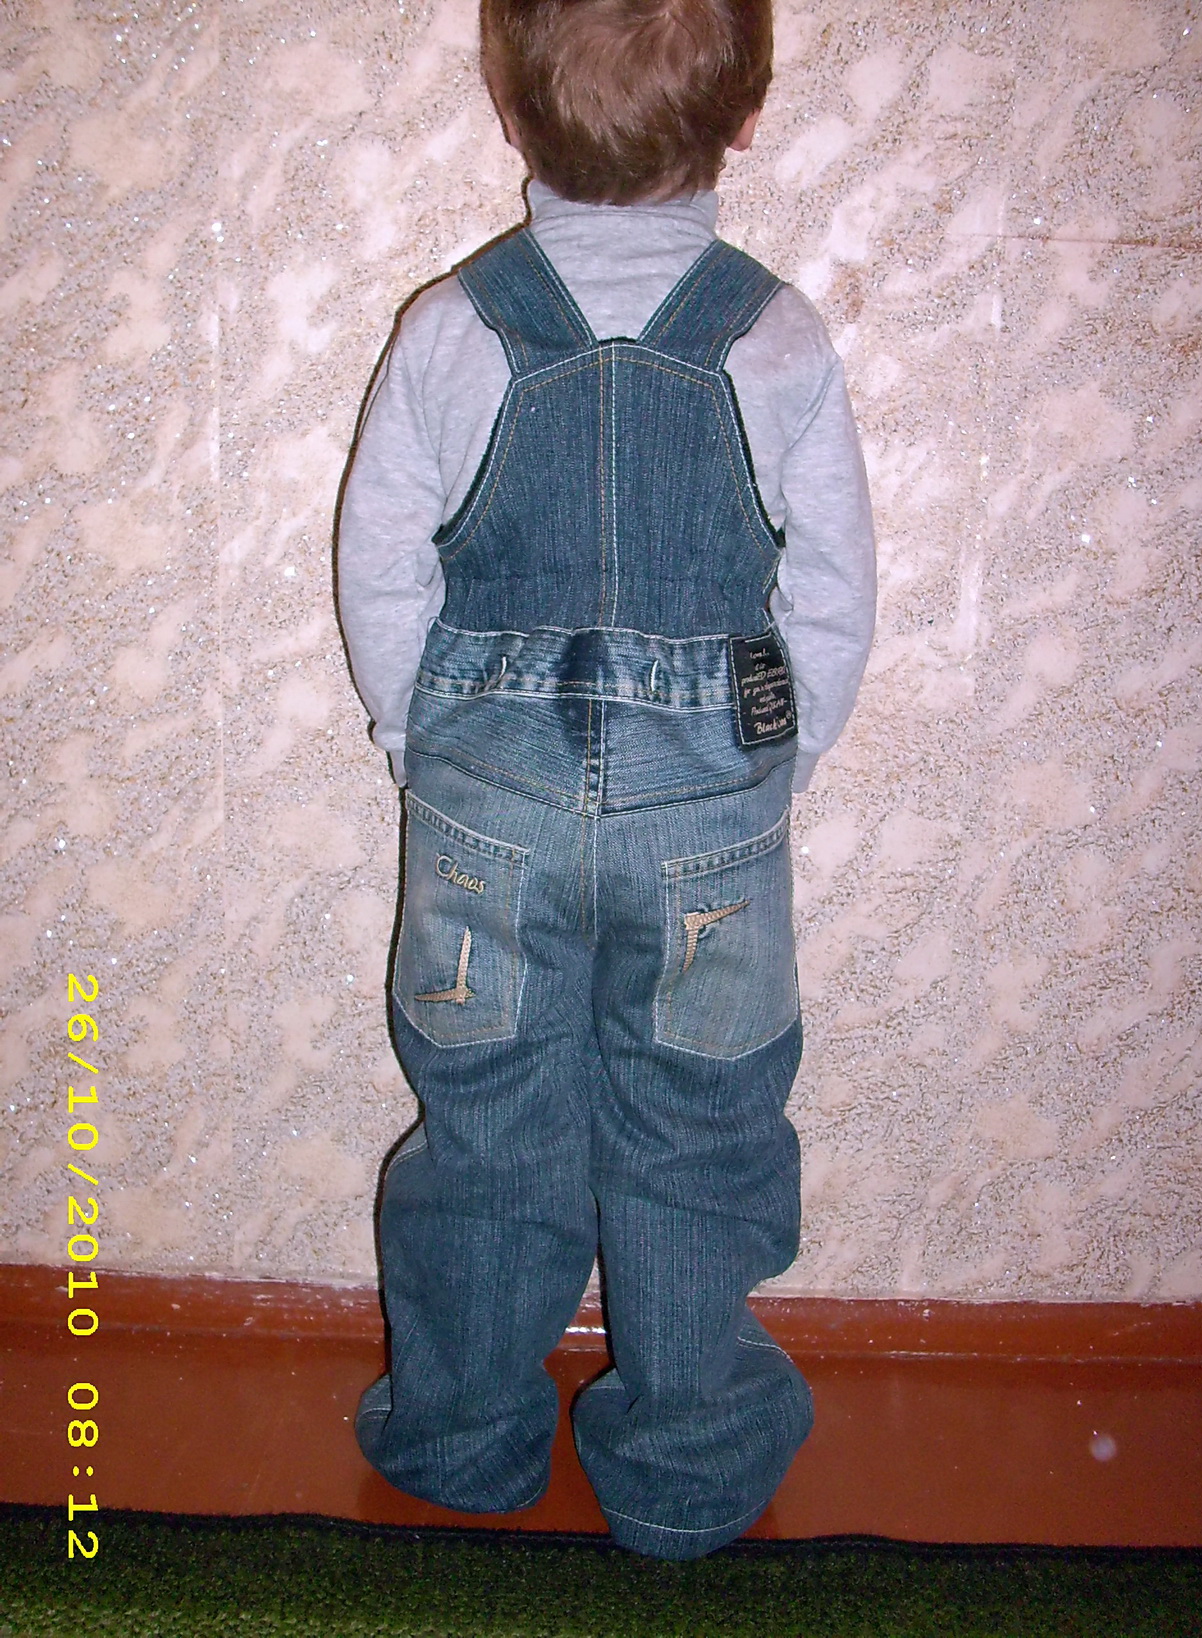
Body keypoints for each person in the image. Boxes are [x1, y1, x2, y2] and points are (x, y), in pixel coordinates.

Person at [337, 0, 875, 1560]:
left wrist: (420, 745)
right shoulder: (775, 335)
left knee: (489, 1124)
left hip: (484, 802)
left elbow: (380, 564)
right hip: (708, 813)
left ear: (507, 109)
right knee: (696, 1131)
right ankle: (686, 1469)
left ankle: (457, 1437)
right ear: (747, 117)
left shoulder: (452, 327)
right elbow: (832, 587)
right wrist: (777, 761)